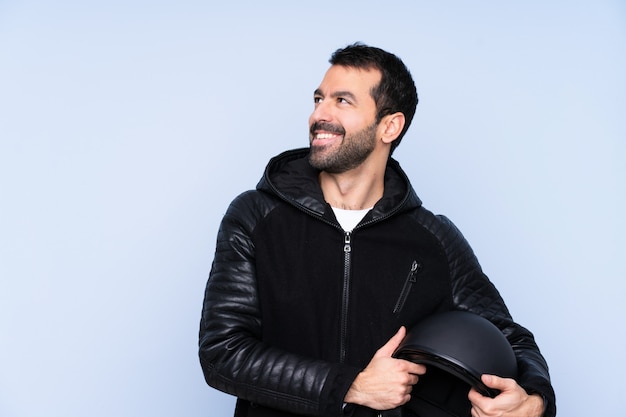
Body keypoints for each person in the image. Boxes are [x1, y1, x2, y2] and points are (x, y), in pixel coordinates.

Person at [199, 43, 556, 417]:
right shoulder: (256, 216)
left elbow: (510, 338)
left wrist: (534, 401)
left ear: (390, 126)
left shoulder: (433, 238)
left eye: (342, 101)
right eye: (319, 99)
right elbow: (222, 351)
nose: (319, 113)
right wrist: (350, 385)